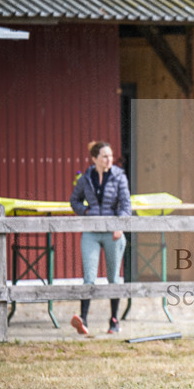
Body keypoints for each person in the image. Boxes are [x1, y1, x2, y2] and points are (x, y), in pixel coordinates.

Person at [69, 140, 132, 336]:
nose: (109, 160)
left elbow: (125, 204)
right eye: (104, 156)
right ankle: (83, 319)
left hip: (113, 233)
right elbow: (74, 199)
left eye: (110, 156)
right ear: (94, 159)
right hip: (91, 232)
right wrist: (85, 211)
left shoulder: (119, 177)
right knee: (89, 277)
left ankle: (114, 321)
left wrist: (120, 225)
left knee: (113, 278)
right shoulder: (86, 177)